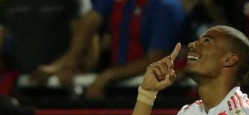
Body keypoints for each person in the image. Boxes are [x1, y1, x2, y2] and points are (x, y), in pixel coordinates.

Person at [33, 0, 185, 99]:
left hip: (159, 97)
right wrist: (66, 63)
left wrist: (107, 76)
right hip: (119, 91)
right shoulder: (118, 2)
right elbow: (90, 21)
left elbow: (157, 59)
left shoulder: (166, 7)